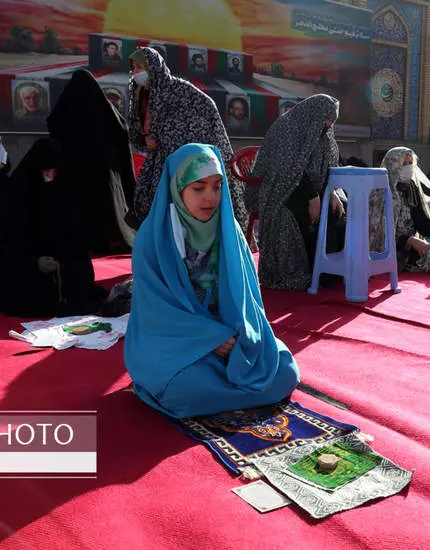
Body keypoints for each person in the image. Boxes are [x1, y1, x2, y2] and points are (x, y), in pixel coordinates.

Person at [124, 143, 300, 418]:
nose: (210, 197)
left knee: (285, 371)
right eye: (198, 188)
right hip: (177, 342)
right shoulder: (153, 238)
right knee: (184, 390)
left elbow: (249, 301)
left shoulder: (230, 233)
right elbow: (154, 312)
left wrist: (239, 336)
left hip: (231, 336)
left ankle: (224, 390)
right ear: (177, 187)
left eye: (217, 186)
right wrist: (209, 338)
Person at [0, 138, 108, 317]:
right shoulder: (16, 191)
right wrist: (34, 262)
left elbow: (70, 230)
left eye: (54, 169)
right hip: (24, 274)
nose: (50, 174)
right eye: (47, 168)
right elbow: (11, 242)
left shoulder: (59, 186)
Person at [126, 47, 247, 229]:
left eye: (139, 67)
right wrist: (146, 141)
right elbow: (137, 131)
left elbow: (200, 117)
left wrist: (165, 138)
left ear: (153, 67)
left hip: (185, 164)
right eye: (133, 68)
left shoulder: (180, 93)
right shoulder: (141, 94)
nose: (135, 73)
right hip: (159, 161)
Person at [250, 94, 346, 291]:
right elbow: (288, 171)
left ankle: (329, 270)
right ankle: (298, 270)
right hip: (281, 191)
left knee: (341, 208)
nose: (328, 124)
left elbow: (329, 166)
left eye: (332, 121)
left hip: (313, 190)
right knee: (293, 214)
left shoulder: (323, 134)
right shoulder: (288, 128)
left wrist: (333, 192)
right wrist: (312, 198)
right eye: (326, 119)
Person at [47, 69, 137, 255]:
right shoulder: (106, 111)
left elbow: (53, 124)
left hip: (76, 174)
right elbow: (122, 131)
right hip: (105, 175)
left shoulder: (67, 109)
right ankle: (108, 240)